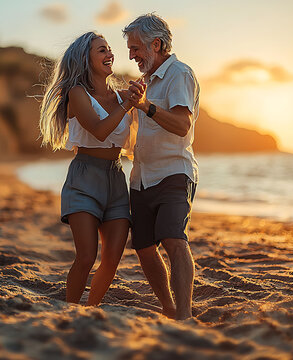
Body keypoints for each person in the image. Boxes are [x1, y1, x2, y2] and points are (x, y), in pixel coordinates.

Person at [39, 32, 143, 305]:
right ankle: (70, 311)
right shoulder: (77, 94)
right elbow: (98, 131)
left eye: (110, 49)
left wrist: (139, 96)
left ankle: (89, 310)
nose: (110, 54)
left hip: (116, 179)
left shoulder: (122, 96)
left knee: (111, 260)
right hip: (85, 179)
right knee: (86, 257)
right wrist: (128, 106)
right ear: (86, 59)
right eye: (101, 50)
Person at [123, 13, 200, 320]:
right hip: (141, 177)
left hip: (174, 172)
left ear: (157, 44)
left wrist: (146, 106)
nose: (131, 54)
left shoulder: (179, 73)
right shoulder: (144, 82)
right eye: (129, 48)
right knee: (143, 247)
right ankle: (167, 307)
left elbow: (182, 125)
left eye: (136, 47)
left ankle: (184, 315)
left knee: (173, 239)